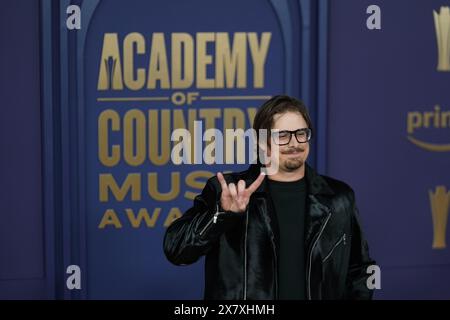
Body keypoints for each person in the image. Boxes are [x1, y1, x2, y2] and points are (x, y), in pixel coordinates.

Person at [163, 95, 375, 300]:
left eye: (301, 133)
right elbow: (176, 250)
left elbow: (362, 269)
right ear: (262, 142)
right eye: (282, 135)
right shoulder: (227, 190)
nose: (295, 143)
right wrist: (222, 214)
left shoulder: (339, 197)